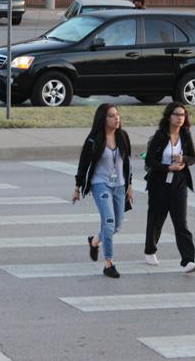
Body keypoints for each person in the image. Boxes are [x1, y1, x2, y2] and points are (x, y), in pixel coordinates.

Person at [73, 104, 133, 278]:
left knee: (117, 226)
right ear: (103, 119)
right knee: (108, 223)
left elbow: (127, 163)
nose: (116, 118)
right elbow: (83, 165)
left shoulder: (123, 137)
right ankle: (109, 263)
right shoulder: (93, 140)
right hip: (100, 184)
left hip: (120, 186)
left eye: (117, 115)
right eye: (111, 116)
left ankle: (94, 241)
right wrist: (77, 188)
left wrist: (130, 186)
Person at [143, 101, 195, 273]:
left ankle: (188, 261)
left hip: (179, 183)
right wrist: (168, 167)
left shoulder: (185, 134)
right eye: (176, 114)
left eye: (182, 115)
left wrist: (184, 160)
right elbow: (149, 161)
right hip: (159, 183)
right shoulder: (160, 135)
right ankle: (150, 250)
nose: (180, 118)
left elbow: (193, 158)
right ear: (169, 116)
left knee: (181, 222)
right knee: (156, 220)